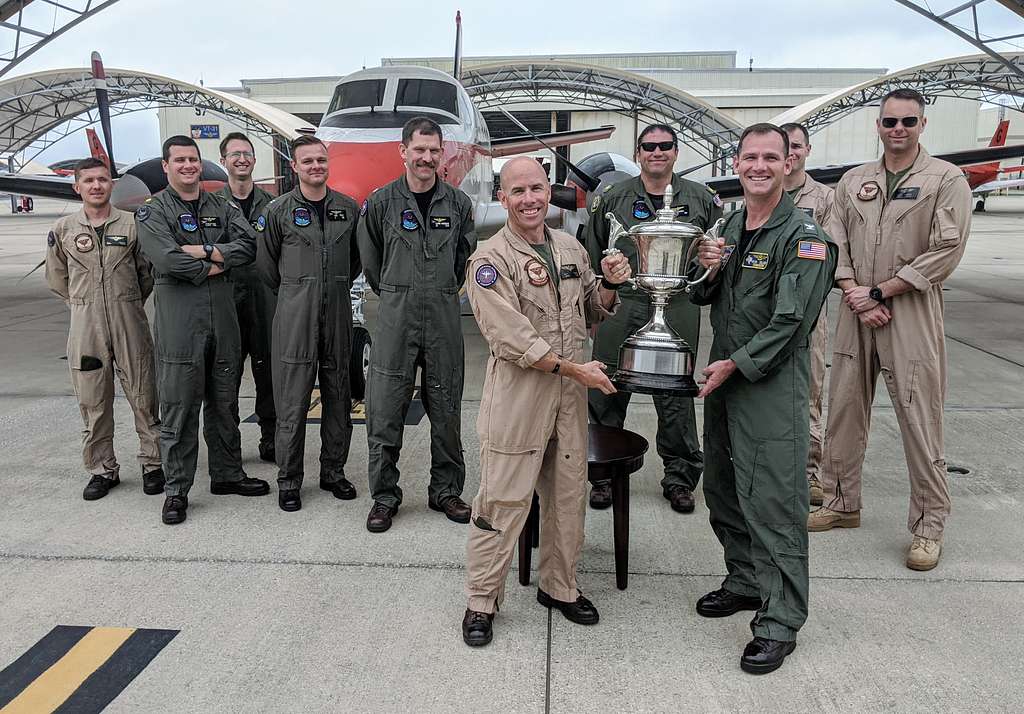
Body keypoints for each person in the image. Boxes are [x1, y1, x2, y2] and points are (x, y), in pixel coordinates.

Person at [461, 156, 630, 647]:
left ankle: (559, 587)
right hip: (520, 398)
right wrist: (575, 369)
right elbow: (510, 338)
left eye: (537, 188)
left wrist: (613, 284)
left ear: (548, 191)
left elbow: (593, 310)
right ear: (503, 196)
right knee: (503, 499)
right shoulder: (490, 261)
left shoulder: (571, 249)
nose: (530, 199)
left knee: (567, 497)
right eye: (518, 191)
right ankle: (481, 600)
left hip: (569, 399)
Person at [691, 123, 837, 674]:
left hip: (768, 386)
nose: (759, 166)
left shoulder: (802, 235)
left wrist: (736, 364)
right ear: (736, 163)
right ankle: (746, 580)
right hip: (726, 382)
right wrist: (707, 263)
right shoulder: (729, 224)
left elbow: (791, 323)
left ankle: (780, 620)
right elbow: (704, 291)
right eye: (750, 156)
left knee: (774, 501)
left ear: (789, 163)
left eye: (770, 157)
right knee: (724, 487)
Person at [807, 89, 972, 572]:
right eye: (889, 122)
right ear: (878, 126)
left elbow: (947, 249)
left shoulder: (946, 179)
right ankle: (841, 503)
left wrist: (881, 293)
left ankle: (928, 526)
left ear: (923, 124)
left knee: (920, 419)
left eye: (907, 121)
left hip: (911, 313)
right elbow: (830, 238)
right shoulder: (855, 180)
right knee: (843, 411)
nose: (898, 129)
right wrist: (855, 291)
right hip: (857, 309)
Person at [582, 123, 721, 514]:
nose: (656, 152)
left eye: (665, 146)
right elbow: (593, 254)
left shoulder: (701, 199)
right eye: (649, 146)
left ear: (676, 152)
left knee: (675, 393)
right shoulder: (612, 198)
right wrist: (598, 304)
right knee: (606, 386)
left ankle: (680, 477)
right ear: (638, 152)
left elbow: (714, 255)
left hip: (677, 304)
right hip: (623, 304)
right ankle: (603, 476)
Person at [136, 135, 269, 525]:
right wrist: (217, 259)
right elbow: (165, 259)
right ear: (166, 165)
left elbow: (250, 245)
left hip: (222, 318)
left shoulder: (219, 205)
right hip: (181, 323)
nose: (188, 166)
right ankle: (177, 489)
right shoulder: (153, 211)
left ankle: (227, 474)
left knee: (225, 401)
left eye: (193, 159)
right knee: (179, 406)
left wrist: (203, 251)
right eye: (179, 160)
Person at [356, 117, 476, 533]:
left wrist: (438, 290)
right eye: (419, 149)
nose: (426, 158)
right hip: (396, 316)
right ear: (403, 151)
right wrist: (398, 291)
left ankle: (445, 491)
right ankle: (384, 496)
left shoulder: (458, 205)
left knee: (446, 407)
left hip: (442, 316)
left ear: (441, 154)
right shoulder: (381, 203)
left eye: (434, 150)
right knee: (385, 408)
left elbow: (463, 259)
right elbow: (371, 263)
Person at [45, 157, 163, 500]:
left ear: (111, 184)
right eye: (89, 181)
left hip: (130, 320)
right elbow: (57, 278)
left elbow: (146, 274)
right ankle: (102, 469)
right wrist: (83, 305)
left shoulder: (133, 225)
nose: (97, 186)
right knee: (93, 401)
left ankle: (153, 464)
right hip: (86, 325)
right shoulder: (64, 229)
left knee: (144, 395)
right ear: (77, 187)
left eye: (102, 180)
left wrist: (125, 301)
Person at [257, 135, 361, 512]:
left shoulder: (347, 209)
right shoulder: (278, 211)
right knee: (292, 400)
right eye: (308, 161)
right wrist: (300, 290)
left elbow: (354, 263)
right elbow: (267, 267)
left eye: (321, 160)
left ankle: (333, 472)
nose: (316, 166)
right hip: (294, 314)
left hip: (336, 312)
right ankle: (289, 479)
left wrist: (329, 287)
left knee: (339, 395)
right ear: (294, 167)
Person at [780, 122, 835, 507]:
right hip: (764, 316)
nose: (791, 153)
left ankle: (810, 472)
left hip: (809, 318)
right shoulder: (759, 192)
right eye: (785, 147)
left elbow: (827, 254)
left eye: (796, 146)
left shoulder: (825, 198)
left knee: (809, 394)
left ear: (806, 150)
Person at [217, 131, 276, 463]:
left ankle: (271, 438)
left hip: (265, 300)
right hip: (227, 301)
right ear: (223, 160)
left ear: (254, 160)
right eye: (235, 154)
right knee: (226, 377)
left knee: (269, 374)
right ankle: (229, 446)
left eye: (247, 153)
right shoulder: (212, 206)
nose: (242, 159)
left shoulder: (273, 205)